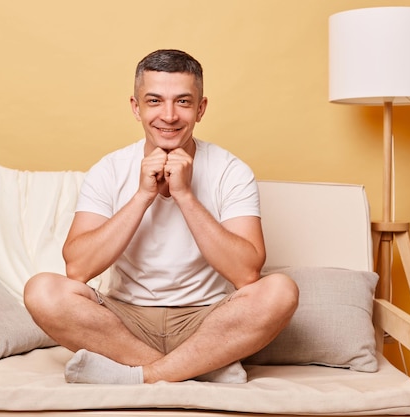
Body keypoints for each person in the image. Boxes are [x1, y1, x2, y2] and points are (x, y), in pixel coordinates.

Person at [24, 49, 298, 385]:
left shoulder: (231, 170)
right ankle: (199, 369)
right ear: (136, 107)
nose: (168, 115)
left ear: (201, 108)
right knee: (42, 291)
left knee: (280, 291)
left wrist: (185, 195)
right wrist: (143, 195)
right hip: (124, 323)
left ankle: (144, 376)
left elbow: (246, 273)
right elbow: (78, 268)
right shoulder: (109, 169)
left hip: (208, 320)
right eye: (154, 101)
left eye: (183, 102)